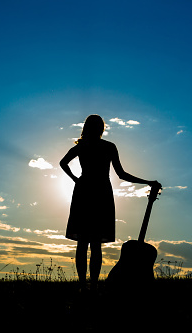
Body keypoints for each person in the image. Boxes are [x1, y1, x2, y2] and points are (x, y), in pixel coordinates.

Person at [60, 114, 160, 289]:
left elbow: (63, 163)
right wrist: (147, 182)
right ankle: (92, 284)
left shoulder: (82, 146)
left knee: (83, 242)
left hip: (84, 191)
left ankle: (84, 285)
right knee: (95, 243)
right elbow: (121, 174)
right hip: (101, 192)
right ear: (101, 129)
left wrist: (76, 179)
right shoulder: (108, 146)